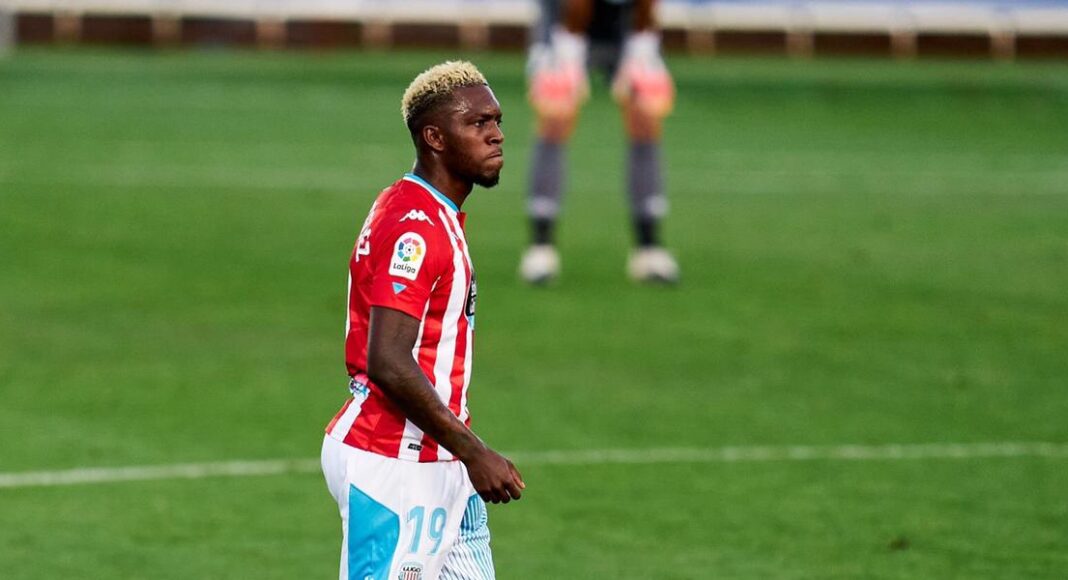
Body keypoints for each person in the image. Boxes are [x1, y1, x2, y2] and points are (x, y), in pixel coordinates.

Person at [320, 61, 524, 580]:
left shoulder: (419, 206)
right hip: (395, 463)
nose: (496, 134)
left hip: (441, 459)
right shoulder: (416, 229)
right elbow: (388, 359)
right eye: (477, 123)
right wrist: (475, 453)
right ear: (434, 138)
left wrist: (463, 454)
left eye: (496, 121)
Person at [520, 0, 680, 285]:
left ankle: (649, 248)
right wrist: (567, 62)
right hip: (563, 20)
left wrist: (641, 52)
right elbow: (575, 10)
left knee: (645, 117)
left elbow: (646, 10)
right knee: (555, 116)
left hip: (624, 24)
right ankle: (541, 246)